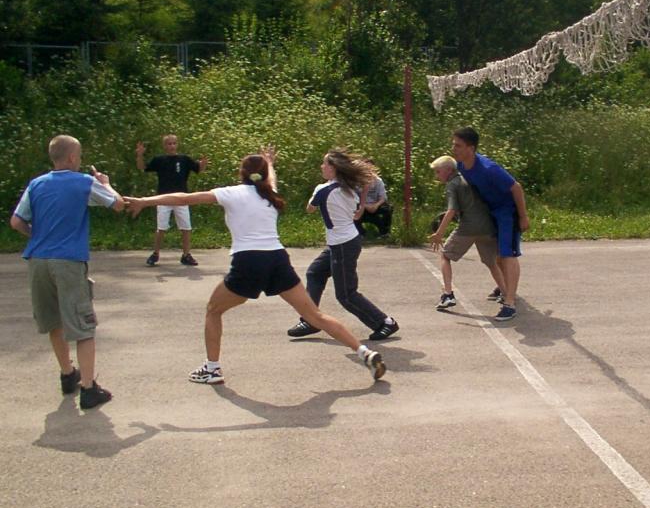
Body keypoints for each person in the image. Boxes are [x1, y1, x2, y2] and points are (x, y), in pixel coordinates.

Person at [124, 147, 386, 383]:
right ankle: (364, 353)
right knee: (314, 315)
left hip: (248, 262)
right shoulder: (269, 194)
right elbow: (271, 179)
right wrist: (269, 162)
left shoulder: (232, 193)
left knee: (213, 310)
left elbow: (183, 198)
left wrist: (144, 201)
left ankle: (212, 369)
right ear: (263, 176)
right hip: (277, 259)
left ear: (242, 173)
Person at [10, 135, 124, 409]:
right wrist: (106, 184)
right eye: (79, 156)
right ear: (72, 157)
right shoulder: (84, 182)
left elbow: (16, 221)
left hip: (38, 259)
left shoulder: (37, 184)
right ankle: (88, 388)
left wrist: (37, 236)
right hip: (68, 260)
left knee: (54, 321)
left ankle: (67, 373)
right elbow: (118, 204)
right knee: (83, 325)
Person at [286, 149, 400, 341]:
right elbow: (362, 192)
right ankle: (310, 320)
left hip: (343, 244)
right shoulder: (350, 187)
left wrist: (321, 195)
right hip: (343, 242)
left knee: (346, 295)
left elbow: (310, 209)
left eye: (325, 163)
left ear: (333, 168)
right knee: (315, 272)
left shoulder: (323, 189)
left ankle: (384, 322)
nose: (322, 166)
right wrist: (360, 205)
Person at [451, 127, 530, 321]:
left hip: (507, 213)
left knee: (507, 254)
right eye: (453, 145)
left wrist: (523, 217)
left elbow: (516, 188)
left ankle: (509, 304)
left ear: (471, 148)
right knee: (497, 256)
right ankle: (506, 286)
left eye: (458, 145)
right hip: (489, 212)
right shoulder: (461, 166)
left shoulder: (489, 169)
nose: (454, 149)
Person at [428, 155, 507, 310]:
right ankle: (506, 294)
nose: (436, 176)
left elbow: (451, 210)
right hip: (487, 227)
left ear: (448, 170)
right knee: (491, 262)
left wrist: (439, 233)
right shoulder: (469, 178)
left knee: (445, 255)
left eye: (438, 172)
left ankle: (448, 295)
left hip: (468, 228)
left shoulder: (452, 184)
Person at [135, 134, 207, 267]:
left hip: (182, 198)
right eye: (169, 144)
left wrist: (203, 164)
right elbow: (142, 167)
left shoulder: (184, 159)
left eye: (174, 143)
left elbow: (199, 169)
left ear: (177, 144)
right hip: (163, 198)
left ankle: (186, 255)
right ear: (165, 146)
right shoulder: (159, 160)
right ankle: (155, 254)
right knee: (161, 228)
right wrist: (140, 155)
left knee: (186, 227)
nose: (172, 146)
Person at [355, 159, 392, 237]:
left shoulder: (378, 181)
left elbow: (383, 197)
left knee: (388, 208)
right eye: (366, 168)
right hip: (361, 205)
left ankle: (385, 232)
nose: (368, 171)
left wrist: (376, 205)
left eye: (370, 168)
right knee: (352, 208)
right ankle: (360, 232)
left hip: (375, 205)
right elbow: (353, 198)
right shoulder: (356, 181)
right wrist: (365, 206)